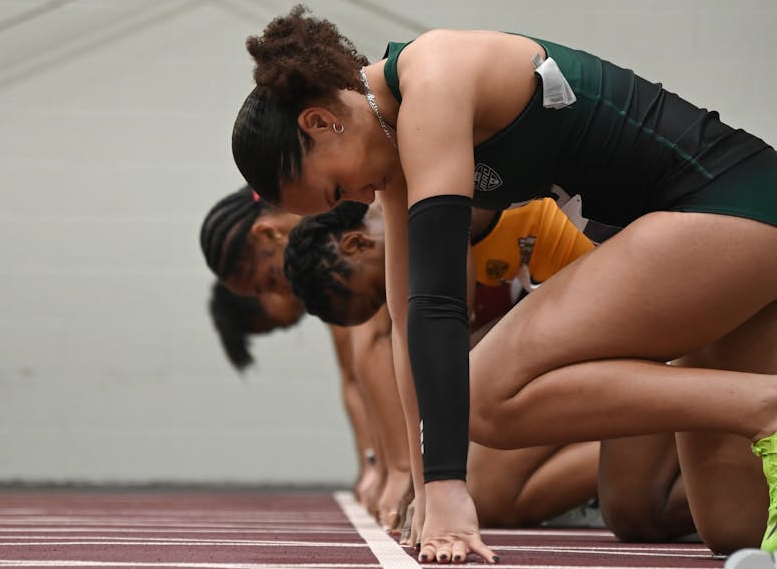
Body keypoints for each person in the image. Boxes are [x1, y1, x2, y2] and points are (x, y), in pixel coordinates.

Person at [231, 7, 777, 564]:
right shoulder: (392, 149)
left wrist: (449, 485)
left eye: (336, 189)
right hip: (708, 250)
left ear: (320, 122)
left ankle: (765, 406)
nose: (360, 200)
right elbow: (406, 320)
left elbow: (439, 300)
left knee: (485, 393)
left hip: (732, 207)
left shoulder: (433, 77)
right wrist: (424, 489)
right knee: (734, 527)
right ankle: (758, 406)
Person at [284, 197, 695, 543]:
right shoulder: (419, 235)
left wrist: (415, 477)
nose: (390, 300)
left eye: (378, 292)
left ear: (356, 243)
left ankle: (694, 438)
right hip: (606, 316)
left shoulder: (426, 211)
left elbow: (436, 359)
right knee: (619, 511)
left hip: (645, 300)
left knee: (476, 403)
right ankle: (670, 459)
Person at [200, 185, 408, 522]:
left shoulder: (334, 239)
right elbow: (353, 375)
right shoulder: (322, 261)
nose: (284, 291)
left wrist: (398, 469)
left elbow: (372, 343)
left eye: (271, 280)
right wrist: (375, 465)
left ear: (268, 234)